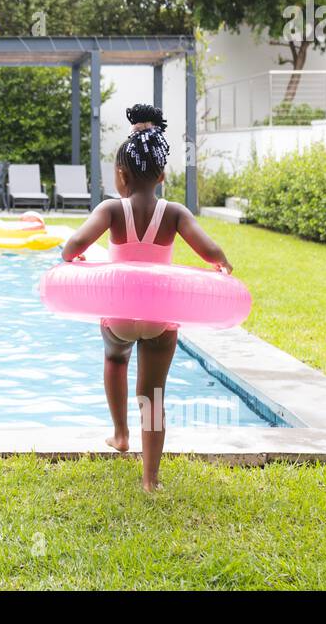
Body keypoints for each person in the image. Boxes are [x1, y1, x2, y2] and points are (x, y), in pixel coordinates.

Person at [60, 103, 233, 492]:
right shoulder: (174, 212)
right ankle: (150, 481)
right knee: (152, 396)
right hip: (159, 317)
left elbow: (71, 246)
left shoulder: (111, 209)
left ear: (120, 175)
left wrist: (76, 259)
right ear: (163, 174)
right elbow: (211, 251)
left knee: (114, 358)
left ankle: (120, 435)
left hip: (119, 314)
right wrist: (222, 267)